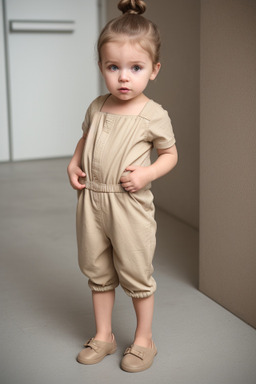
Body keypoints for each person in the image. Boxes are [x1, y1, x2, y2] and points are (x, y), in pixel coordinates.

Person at [67, 0, 178, 373]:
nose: (123, 78)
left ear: (154, 70)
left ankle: (144, 339)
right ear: (101, 67)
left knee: (135, 272)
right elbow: (85, 139)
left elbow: (170, 154)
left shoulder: (153, 114)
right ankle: (103, 335)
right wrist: (73, 162)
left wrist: (146, 175)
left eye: (135, 68)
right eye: (113, 67)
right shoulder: (97, 106)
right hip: (92, 201)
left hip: (128, 206)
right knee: (97, 270)